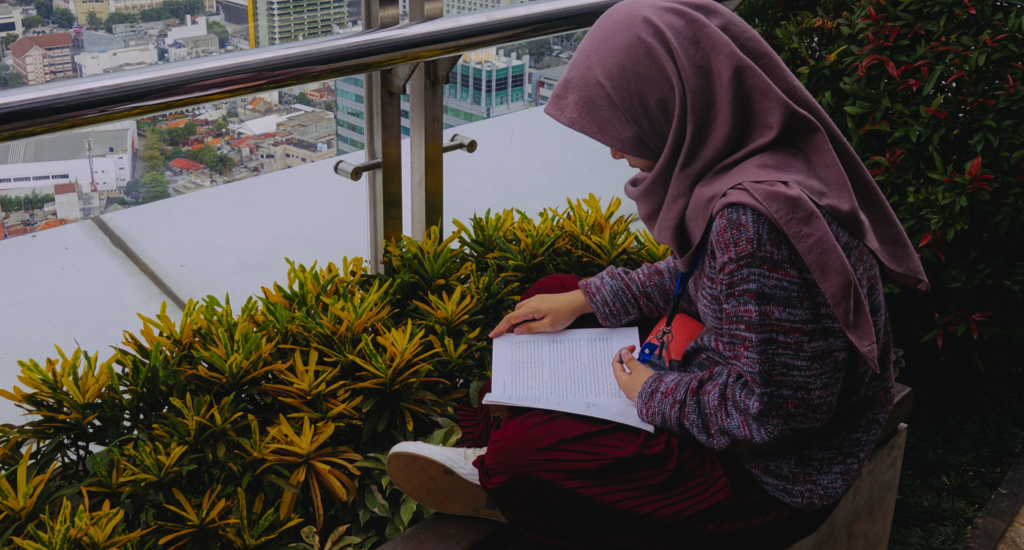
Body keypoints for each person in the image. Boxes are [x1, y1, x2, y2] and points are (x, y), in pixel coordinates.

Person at [386, 0, 929, 548]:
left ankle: (505, 472)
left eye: (625, 124)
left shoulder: (756, 227)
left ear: (674, 103)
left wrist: (651, 393)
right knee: (553, 295)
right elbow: (697, 273)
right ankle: (515, 445)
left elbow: (777, 416)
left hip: (768, 478)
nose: (618, 149)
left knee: (527, 458)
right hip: (722, 367)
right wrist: (584, 300)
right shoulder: (756, 152)